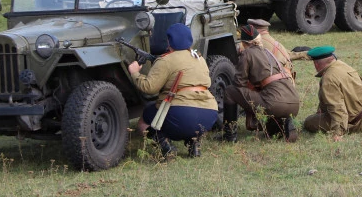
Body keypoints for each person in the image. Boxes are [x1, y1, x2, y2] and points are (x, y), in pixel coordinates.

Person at [128, 23, 218, 159]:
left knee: (145, 120)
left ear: (170, 41)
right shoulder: (199, 59)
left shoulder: (166, 60)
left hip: (182, 114)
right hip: (209, 114)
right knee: (191, 122)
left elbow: (149, 87)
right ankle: (194, 143)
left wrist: (135, 73)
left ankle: (165, 146)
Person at [222, 25, 301, 142]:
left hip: (274, 103)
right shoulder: (269, 53)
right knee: (269, 129)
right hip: (294, 103)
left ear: (244, 43)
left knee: (230, 91)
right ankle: (284, 126)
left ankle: (229, 136)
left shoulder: (247, 53)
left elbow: (239, 83)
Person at [302, 46, 362, 140]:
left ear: (316, 64)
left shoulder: (328, 78)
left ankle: (344, 127)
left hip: (357, 122)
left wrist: (338, 132)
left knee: (309, 122)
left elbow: (337, 107)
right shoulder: (343, 65)